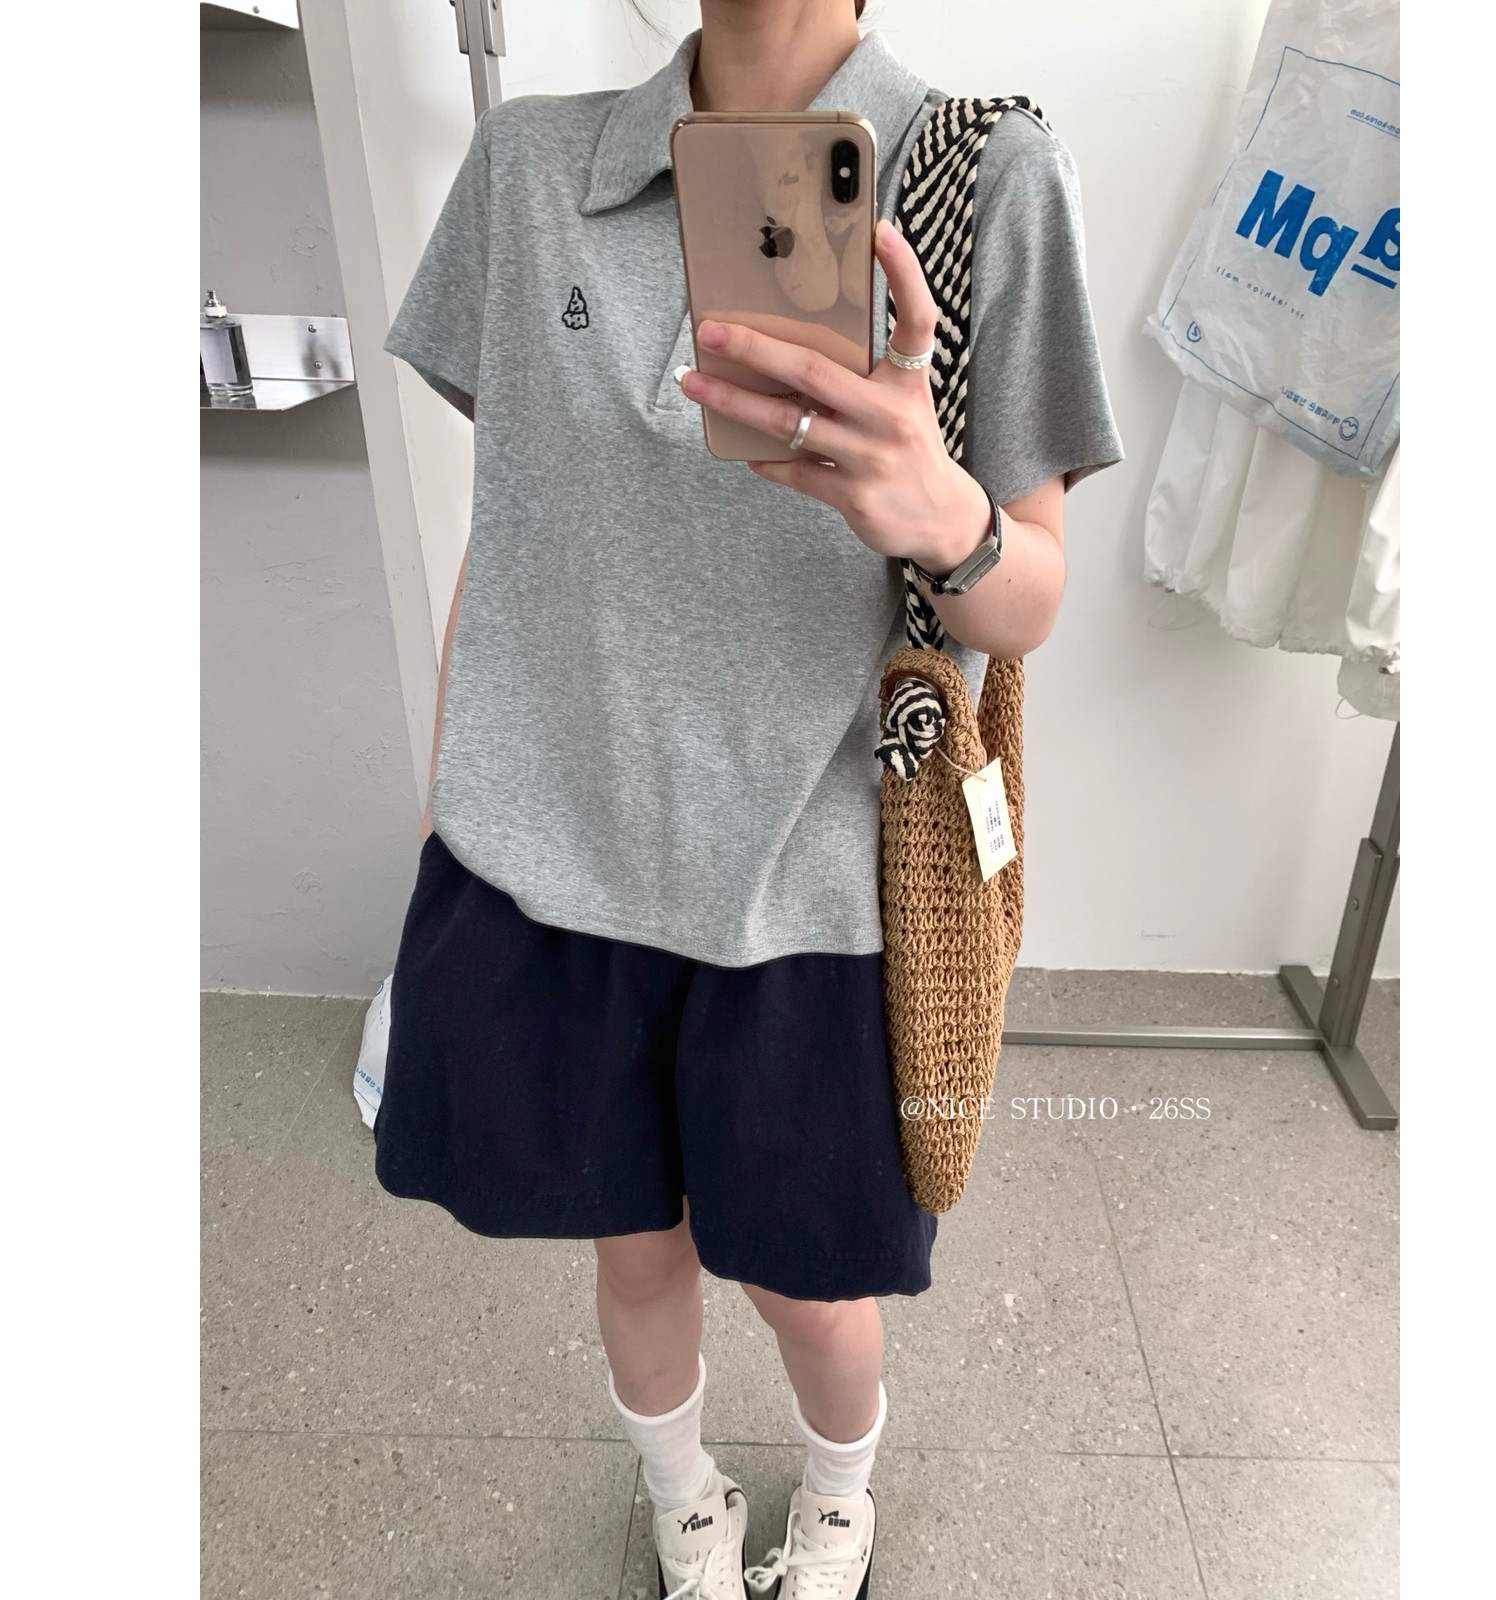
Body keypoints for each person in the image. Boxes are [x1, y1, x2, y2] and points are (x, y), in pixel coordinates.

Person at [373, 2, 1122, 1595]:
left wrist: (942, 517)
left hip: (816, 884)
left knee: (810, 1286)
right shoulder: (526, 170)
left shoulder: (985, 175)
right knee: (631, 1244)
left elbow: (1032, 600)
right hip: (555, 860)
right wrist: (448, 806)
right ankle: (682, 1496)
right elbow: (515, 526)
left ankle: (839, 1499)